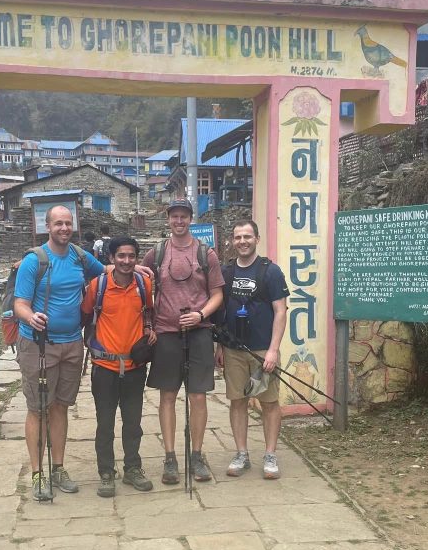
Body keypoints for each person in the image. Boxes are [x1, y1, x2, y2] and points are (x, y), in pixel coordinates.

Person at [14, 205, 103, 497]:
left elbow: (105, 272)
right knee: (38, 408)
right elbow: (20, 303)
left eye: (68, 223)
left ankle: (58, 467)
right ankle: (37, 473)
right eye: (58, 224)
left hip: (72, 343)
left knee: (61, 406)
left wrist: (134, 267)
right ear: (47, 226)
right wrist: (31, 317)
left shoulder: (80, 256)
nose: (64, 228)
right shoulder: (34, 261)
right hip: (38, 345)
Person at [143, 199, 224, 484]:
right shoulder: (156, 253)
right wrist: (148, 324)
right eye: (175, 216)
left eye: (184, 216)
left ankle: (197, 455)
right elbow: (143, 287)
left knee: (198, 396)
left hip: (199, 331)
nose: (179, 221)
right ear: (168, 219)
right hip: (166, 332)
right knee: (167, 395)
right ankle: (169, 457)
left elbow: (217, 294)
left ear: (191, 219)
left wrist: (200, 314)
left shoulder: (205, 253)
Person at [82, 236, 157, 498]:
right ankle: (106, 472)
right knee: (105, 423)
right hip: (105, 365)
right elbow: (85, 314)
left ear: (137, 258)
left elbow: (148, 312)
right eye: (121, 256)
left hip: (135, 365)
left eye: (131, 256)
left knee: (133, 422)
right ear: (111, 258)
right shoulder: (98, 286)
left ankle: (132, 468)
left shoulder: (143, 284)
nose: (126, 261)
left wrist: (149, 329)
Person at [215, 218, 289, 480]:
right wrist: (220, 346)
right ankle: (241, 453)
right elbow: (222, 311)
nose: (242, 242)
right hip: (233, 349)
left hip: (262, 350)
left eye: (247, 236)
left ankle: (270, 454)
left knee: (269, 402)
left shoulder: (271, 272)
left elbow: (281, 311)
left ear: (257, 239)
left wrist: (273, 350)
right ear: (232, 241)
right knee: (238, 401)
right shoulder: (226, 272)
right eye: (238, 237)